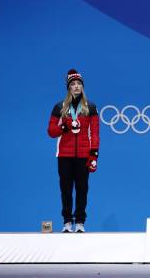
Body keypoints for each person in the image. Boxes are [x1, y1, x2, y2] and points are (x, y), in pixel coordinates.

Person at [47, 69, 100, 233]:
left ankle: (80, 223)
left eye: (79, 84)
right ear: (68, 88)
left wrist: (94, 155)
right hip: (64, 155)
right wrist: (64, 126)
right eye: (73, 84)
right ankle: (67, 222)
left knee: (82, 188)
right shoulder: (59, 107)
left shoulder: (90, 107)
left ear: (82, 87)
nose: (76, 87)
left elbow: (95, 133)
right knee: (66, 189)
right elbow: (51, 131)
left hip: (84, 155)